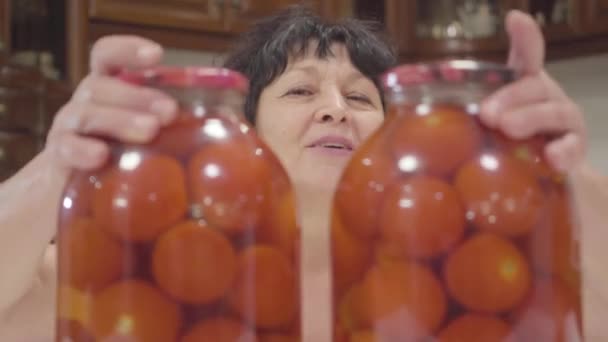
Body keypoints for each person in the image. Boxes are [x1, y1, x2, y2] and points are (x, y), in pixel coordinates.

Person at [0, 5, 606, 340]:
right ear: (242, 133)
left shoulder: (474, 265)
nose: (335, 108)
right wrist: (58, 163)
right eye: (299, 91)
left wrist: (562, 170)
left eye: (361, 98)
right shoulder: (147, 263)